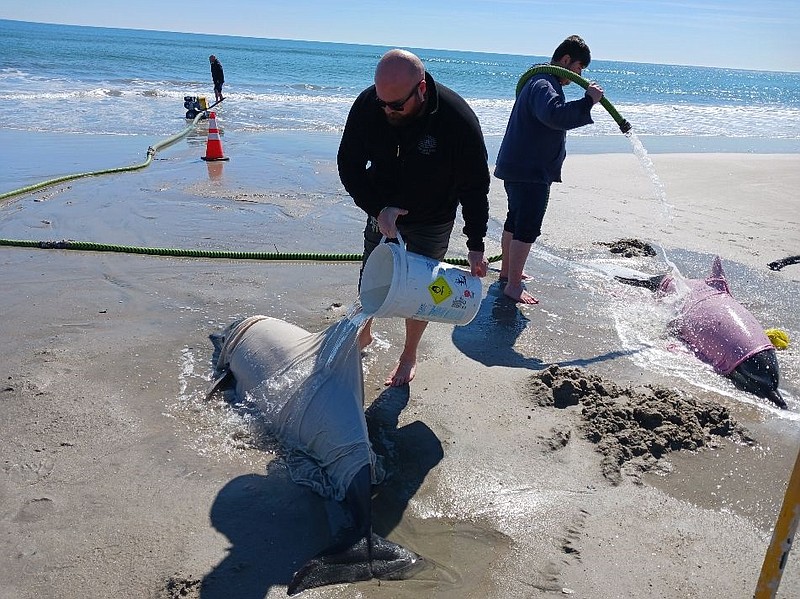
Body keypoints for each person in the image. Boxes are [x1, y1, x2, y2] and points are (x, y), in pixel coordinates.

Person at [338, 49, 490, 387]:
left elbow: (475, 187)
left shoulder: (456, 119)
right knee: (371, 276)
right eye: (382, 103)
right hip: (382, 211)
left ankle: (409, 354)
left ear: (421, 89)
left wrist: (476, 245)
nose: (387, 111)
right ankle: (364, 333)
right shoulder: (370, 105)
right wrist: (378, 209)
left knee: (425, 292)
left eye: (396, 106)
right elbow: (348, 165)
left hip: (433, 218)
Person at [494, 35, 603, 304]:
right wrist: (588, 101)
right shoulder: (545, 82)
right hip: (529, 169)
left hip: (518, 165)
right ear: (565, 61)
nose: (578, 75)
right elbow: (553, 115)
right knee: (527, 225)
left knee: (515, 219)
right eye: (578, 69)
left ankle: (508, 273)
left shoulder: (539, 81)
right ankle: (514, 285)